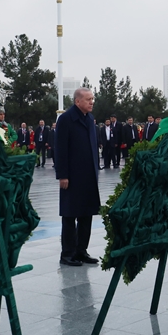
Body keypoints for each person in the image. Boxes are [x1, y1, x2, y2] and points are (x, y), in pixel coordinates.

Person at [56, 88, 101, 267]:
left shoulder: (89, 119)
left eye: (92, 99)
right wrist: (62, 175)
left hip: (88, 175)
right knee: (69, 215)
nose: (91, 102)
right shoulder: (66, 119)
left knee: (86, 214)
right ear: (77, 101)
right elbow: (60, 149)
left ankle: (81, 251)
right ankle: (67, 254)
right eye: (88, 99)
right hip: (72, 176)